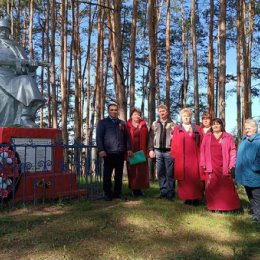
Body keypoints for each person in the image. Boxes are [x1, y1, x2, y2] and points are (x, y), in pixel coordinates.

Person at [0, 17, 45, 127]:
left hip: (14, 76)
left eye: (5, 30)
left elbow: (24, 70)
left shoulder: (16, 48)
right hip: (1, 76)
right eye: (1, 30)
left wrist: (31, 67)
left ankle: (25, 117)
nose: (3, 32)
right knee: (6, 96)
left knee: (27, 80)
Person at [200, 118, 240, 212]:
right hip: (211, 166)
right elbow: (202, 150)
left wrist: (231, 164)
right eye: (213, 124)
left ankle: (229, 208)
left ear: (221, 125)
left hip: (224, 166)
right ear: (211, 126)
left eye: (217, 124)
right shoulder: (207, 136)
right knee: (211, 187)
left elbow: (233, 151)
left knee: (226, 188)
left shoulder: (228, 136)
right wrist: (203, 163)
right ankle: (213, 207)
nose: (215, 126)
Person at [96, 103, 133, 201]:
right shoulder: (103, 123)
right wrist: (101, 150)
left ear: (118, 111)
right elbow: (99, 137)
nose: (114, 111)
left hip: (120, 153)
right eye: (111, 110)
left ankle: (118, 193)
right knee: (107, 175)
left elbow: (127, 137)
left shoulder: (122, 123)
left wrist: (129, 148)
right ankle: (108, 193)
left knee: (118, 175)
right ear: (108, 111)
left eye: (115, 110)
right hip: (108, 153)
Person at [171, 108, 203, 204]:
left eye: (188, 116)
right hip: (182, 158)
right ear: (181, 117)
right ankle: (187, 198)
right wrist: (174, 156)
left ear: (190, 117)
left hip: (194, 157)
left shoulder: (197, 128)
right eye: (184, 116)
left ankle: (196, 198)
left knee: (195, 178)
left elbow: (201, 142)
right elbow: (174, 143)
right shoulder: (178, 128)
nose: (186, 118)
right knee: (184, 179)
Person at [148, 104, 175, 200]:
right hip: (158, 151)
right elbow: (151, 137)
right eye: (160, 111)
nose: (162, 113)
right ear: (158, 112)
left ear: (167, 112)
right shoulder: (155, 123)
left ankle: (170, 193)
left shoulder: (173, 123)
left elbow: (177, 138)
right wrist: (151, 149)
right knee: (160, 172)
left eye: (164, 111)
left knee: (170, 173)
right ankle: (163, 192)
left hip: (169, 151)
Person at [235, 119, 260, 222]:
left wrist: (255, 167)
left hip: (255, 175)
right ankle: (255, 213)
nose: (247, 130)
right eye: (246, 128)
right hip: (245, 174)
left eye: (249, 128)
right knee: (250, 196)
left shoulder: (258, 141)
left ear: (255, 129)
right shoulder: (244, 140)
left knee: (257, 197)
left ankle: (258, 217)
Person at [126, 108, 149, 197]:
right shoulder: (127, 125)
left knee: (141, 172)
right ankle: (134, 189)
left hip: (141, 151)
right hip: (131, 151)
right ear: (131, 115)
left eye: (138, 114)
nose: (137, 116)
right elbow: (125, 139)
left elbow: (147, 139)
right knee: (132, 171)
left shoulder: (143, 125)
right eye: (135, 114)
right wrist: (127, 150)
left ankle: (140, 189)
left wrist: (147, 151)